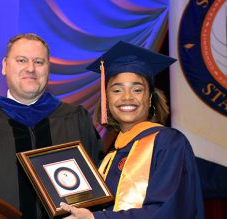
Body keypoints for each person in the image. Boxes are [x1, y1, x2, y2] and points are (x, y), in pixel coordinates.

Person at [0, 33, 103, 219]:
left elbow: (100, 187)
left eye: (39, 62)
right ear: (4, 66)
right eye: (21, 60)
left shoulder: (75, 119)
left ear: (48, 69)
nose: (31, 68)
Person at [60, 41, 204, 218]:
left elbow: (169, 211)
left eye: (137, 90)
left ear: (150, 99)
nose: (127, 97)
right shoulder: (110, 157)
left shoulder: (168, 143)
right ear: (106, 99)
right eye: (117, 90)